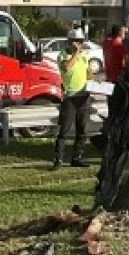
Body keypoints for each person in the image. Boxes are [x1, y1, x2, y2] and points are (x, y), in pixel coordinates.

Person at [52, 28, 91, 169]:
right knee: (64, 130)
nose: (79, 44)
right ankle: (58, 159)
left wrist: (93, 80)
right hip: (70, 97)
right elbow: (66, 68)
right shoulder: (63, 55)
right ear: (70, 42)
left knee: (83, 129)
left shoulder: (84, 55)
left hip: (83, 96)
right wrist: (75, 54)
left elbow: (88, 73)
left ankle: (77, 157)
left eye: (81, 41)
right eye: (77, 41)